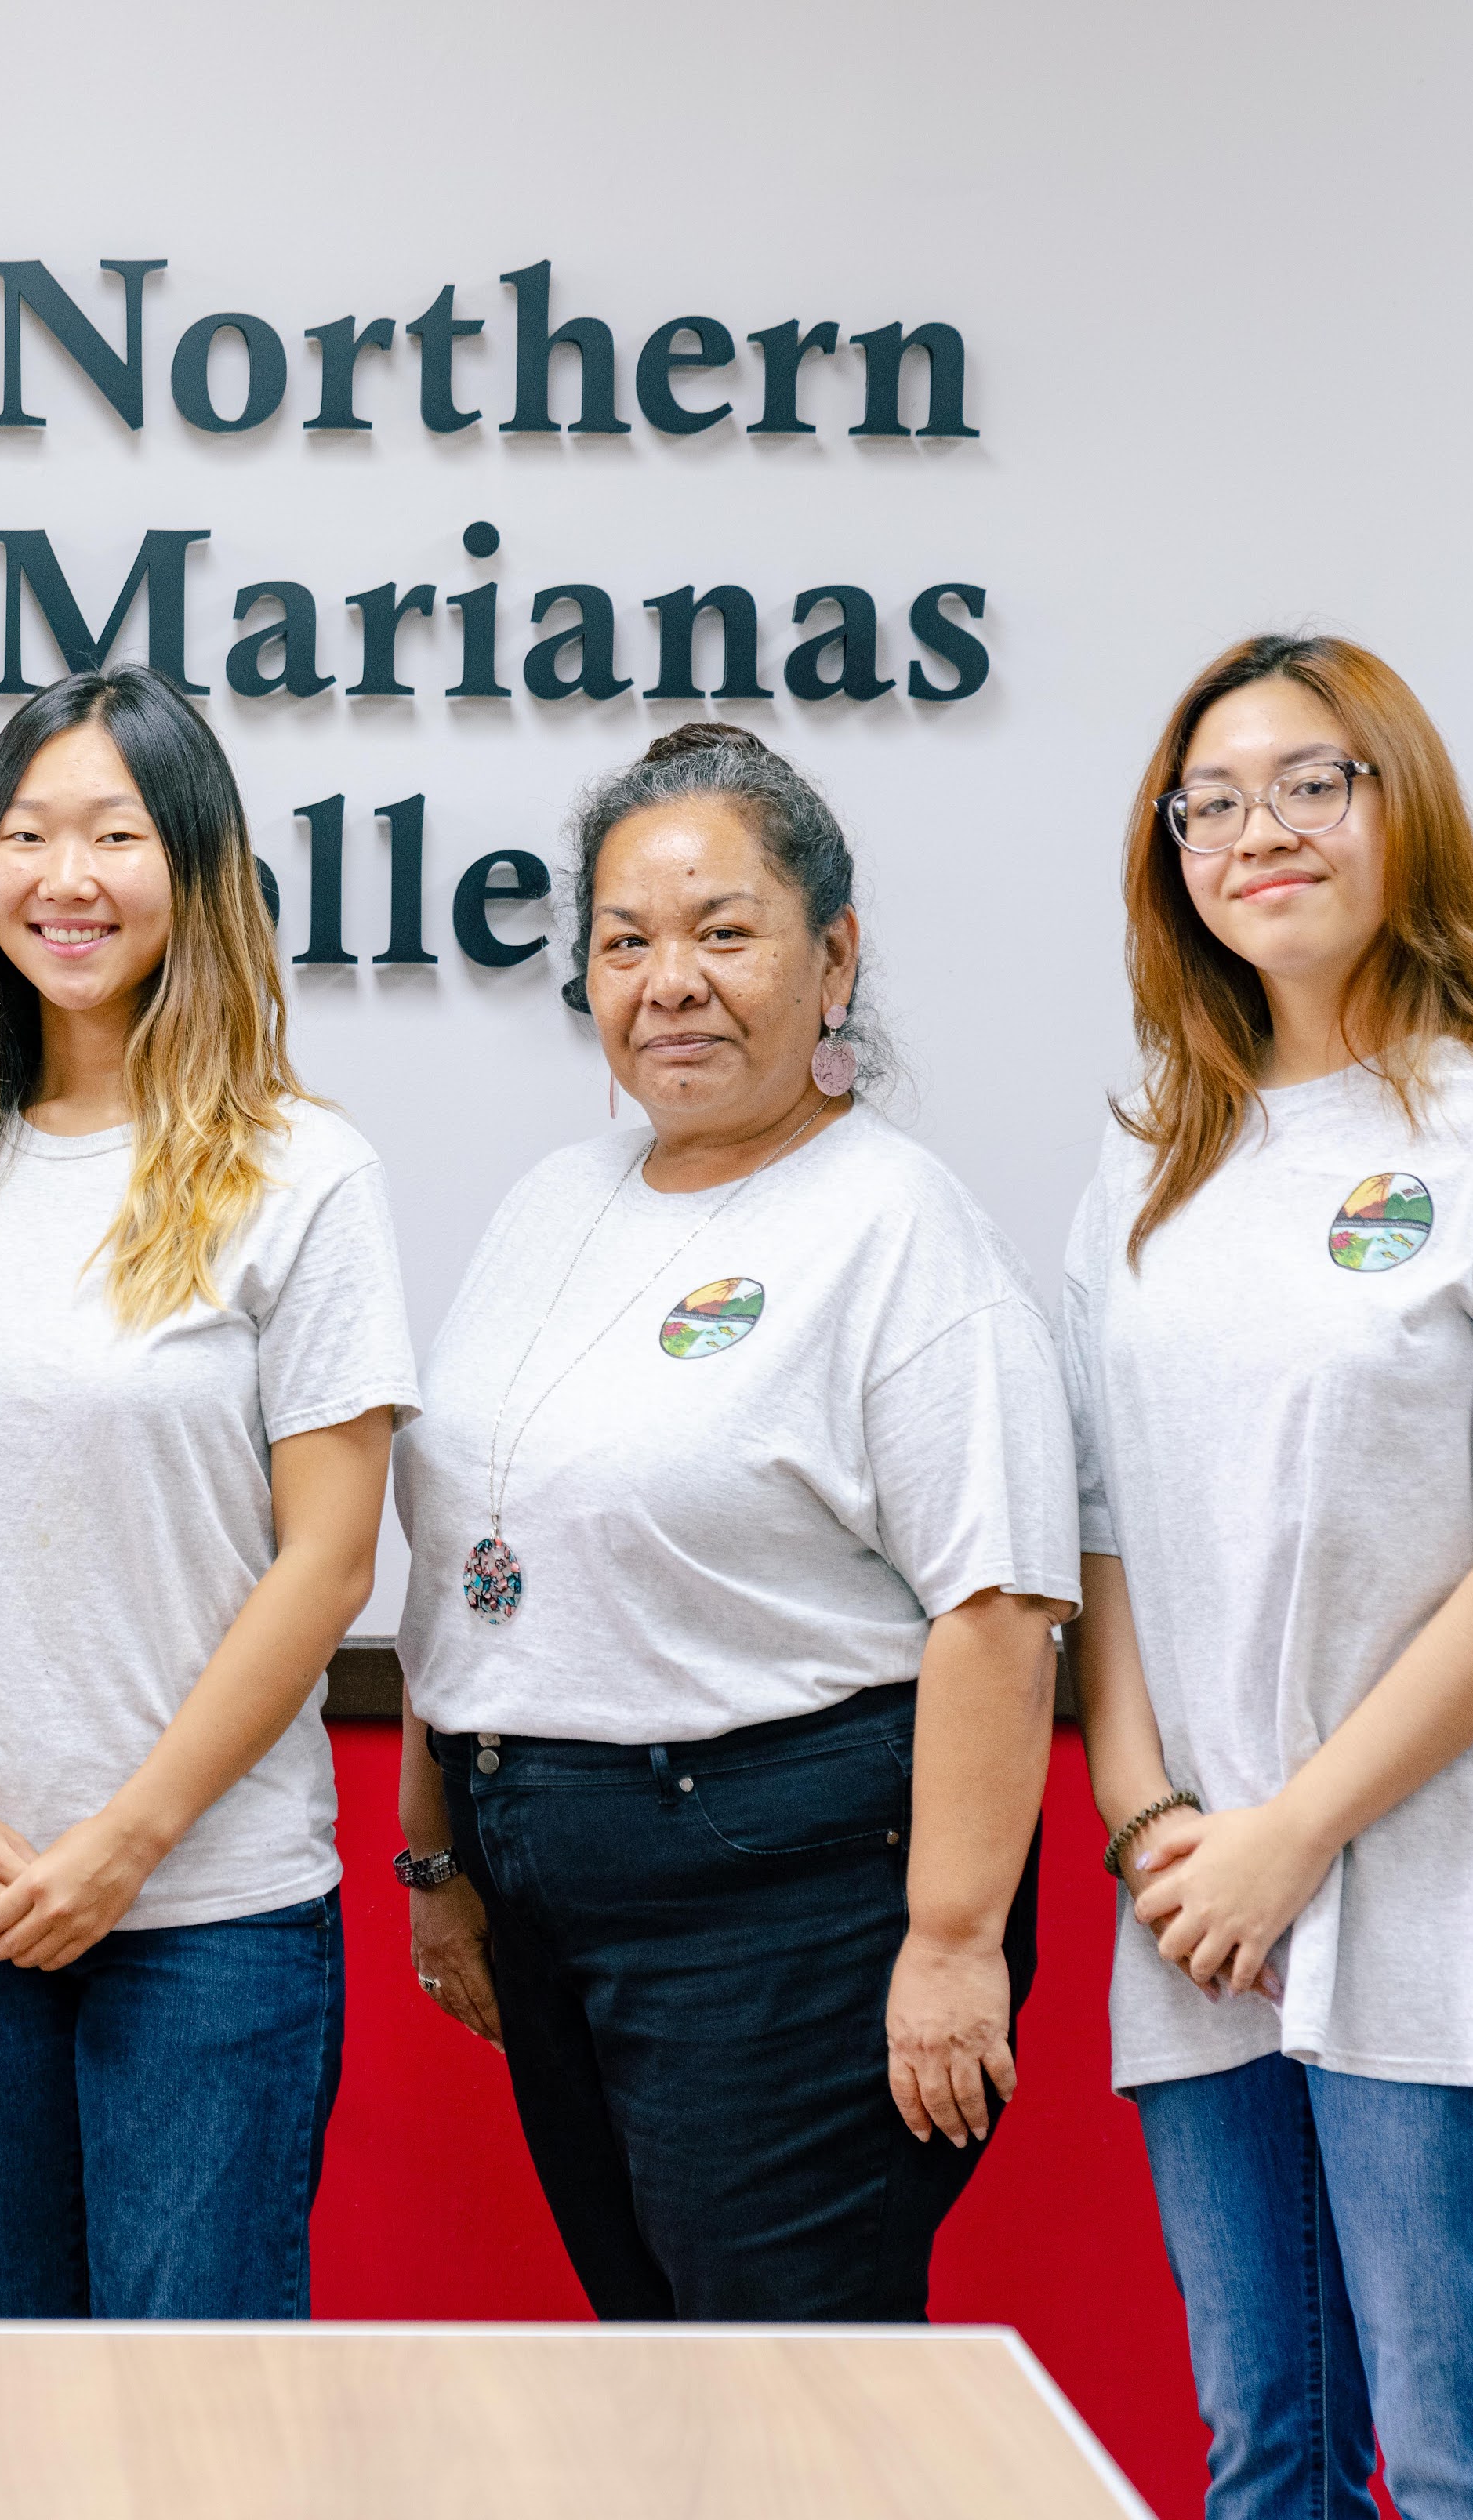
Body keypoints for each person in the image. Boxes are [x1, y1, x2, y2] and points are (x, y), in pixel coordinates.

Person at [1065, 636, 1473, 2518]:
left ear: (1399, 805)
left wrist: (1296, 1832)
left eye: (1307, 784)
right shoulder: (1151, 1150)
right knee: (1266, 2454)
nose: (1255, 832)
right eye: (1208, 803)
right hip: (1198, 1909)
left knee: (1461, 2460)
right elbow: (1104, 1519)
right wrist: (1147, 1823)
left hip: (1433, 1884)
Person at [390, 721, 1076, 2323]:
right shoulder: (552, 1202)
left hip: (784, 1905)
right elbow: (470, 1543)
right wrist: (439, 1855)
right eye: (625, 942)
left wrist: (953, 1944)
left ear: (833, 960)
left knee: (787, 2394)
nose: (669, 983)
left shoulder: (895, 1226)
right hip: (541, 1889)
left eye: (722, 933)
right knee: (661, 2370)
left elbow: (997, 1608)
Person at [0, 665, 415, 2320]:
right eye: (25, 834)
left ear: (197, 870)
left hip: (208, 1912)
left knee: (190, 2415)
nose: (64, 878)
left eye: (116, 835)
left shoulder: (302, 1174)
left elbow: (329, 1560)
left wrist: (126, 1844)